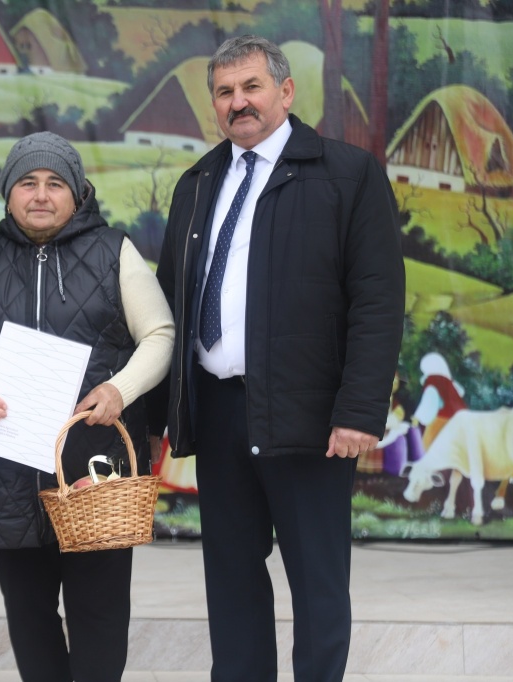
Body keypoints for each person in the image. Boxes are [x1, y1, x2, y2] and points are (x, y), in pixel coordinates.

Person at [151, 36, 405, 681]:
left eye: (251, 87)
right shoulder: (197, 182)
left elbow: (377, 302)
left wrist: (358, 410)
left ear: (286, 92)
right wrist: (161, 415)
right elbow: (170, 303)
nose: (238, 102)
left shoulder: (348, 174)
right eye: (224, 92)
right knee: (231, 578)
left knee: (318, 582)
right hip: (218, 412)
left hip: (311, 419)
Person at [0, 131, 174, 682]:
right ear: (8, 193)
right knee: (28, 613)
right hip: (7, 467)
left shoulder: (115, 251)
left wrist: (120, 390)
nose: (41, 195)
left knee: (99, 614)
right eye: (27, 182)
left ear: (78, 192)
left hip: (95, 469)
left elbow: (160, 334)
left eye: (55, 183)